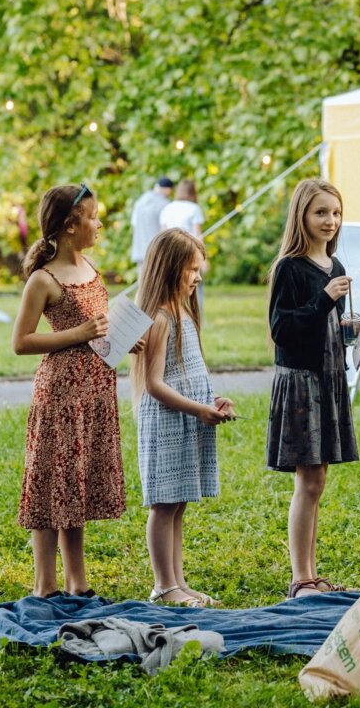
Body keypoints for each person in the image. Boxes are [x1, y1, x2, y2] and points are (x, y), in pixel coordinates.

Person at [12, 183, 138, 598]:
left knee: (76, 485)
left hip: (94, 391)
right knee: (52, 486)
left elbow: (96, 327)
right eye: (92, 216)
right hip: (60, 395)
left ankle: (77, 582)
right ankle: (45, 586)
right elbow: (22, 342)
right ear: (70, 225)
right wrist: (78, 333)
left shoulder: (90, 267)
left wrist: (119, 337)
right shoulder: (43, 280)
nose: (98, 223)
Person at [266, 178, 359, 599]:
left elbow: (324, 326)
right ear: (302, 215)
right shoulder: (290, 267)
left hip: (329, 379)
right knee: (307, 480)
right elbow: (282, 330)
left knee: (318, 481)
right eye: (321, 212)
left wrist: (348, 330)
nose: (330, 220)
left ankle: (312, 573)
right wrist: (323, 300)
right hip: (302, 383)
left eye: (336, 213)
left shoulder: (335, 267)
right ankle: (300, 578)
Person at [133, 229, 235, 607]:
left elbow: (187, 375)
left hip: (187, 417)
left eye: (199, 269)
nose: (198, 277)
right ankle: (164, 585)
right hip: (167, 421)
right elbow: (155, 385)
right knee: (164, 504)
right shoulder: (159, 319)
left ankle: (178, 581)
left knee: (179, 503)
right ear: (170, 268)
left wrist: (212, 400)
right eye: (192, 269)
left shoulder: (184, 315)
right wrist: (198, 409)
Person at [160, 179, 206, 313]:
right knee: (196, 285)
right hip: (190, 252)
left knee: (172, 284)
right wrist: (204, 259)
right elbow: (197, 235)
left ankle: (172, 312)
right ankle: (196, 315)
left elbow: (163, 234)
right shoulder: (194, 209)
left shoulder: (167, 208)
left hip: (170, 253)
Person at [131, 177, 173, 273]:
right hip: (157, 247)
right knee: (156, 280)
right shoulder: (165, 204)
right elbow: (167, 227)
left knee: (142, 279)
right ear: (167, 189)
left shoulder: (140, 202)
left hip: (140, 247)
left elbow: (134, 224)